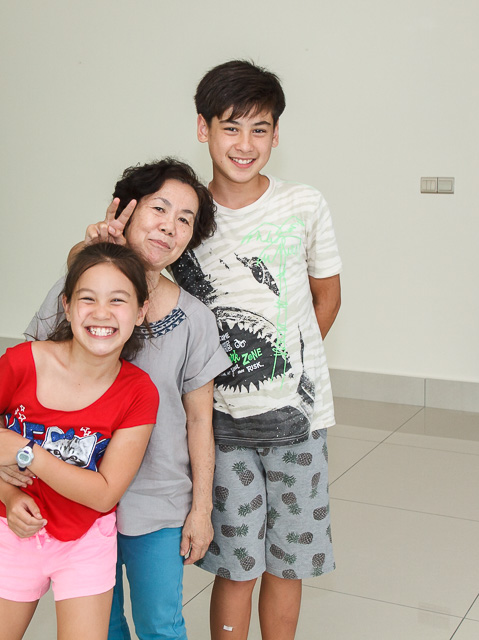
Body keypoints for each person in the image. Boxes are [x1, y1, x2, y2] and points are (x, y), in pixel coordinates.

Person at [19, 158, 230, 640]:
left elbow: (200, 422)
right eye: (159, 208)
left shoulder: (195, 320)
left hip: (158, 505)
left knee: (161, 626)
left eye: (185, 219)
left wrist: (200, 510)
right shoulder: (76, 294)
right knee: (102, 626)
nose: (170, 227)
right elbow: (31, 373)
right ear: (126, 212)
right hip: (80, 499)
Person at [168, 60, 342, 640]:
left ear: (276, 134)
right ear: (203, 128)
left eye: (259, 129)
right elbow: (134, 272)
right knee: (236, 564)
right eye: (231, 127)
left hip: (300, 421)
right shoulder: (188, 216)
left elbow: (326, 295)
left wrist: (288, 364)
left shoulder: (304, 204)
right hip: (219, 426)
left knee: (289, 562)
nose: (245, 144)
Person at [0, 243, 160, 640]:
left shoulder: (139, 392)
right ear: (67, 307)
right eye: (88, 299)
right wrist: (9, 495)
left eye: (117, 300)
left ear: (140, 312)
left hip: (86, 541)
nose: (101, 313)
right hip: (16, 531)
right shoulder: (21, 363)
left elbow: (104, 494)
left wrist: (27, 453)